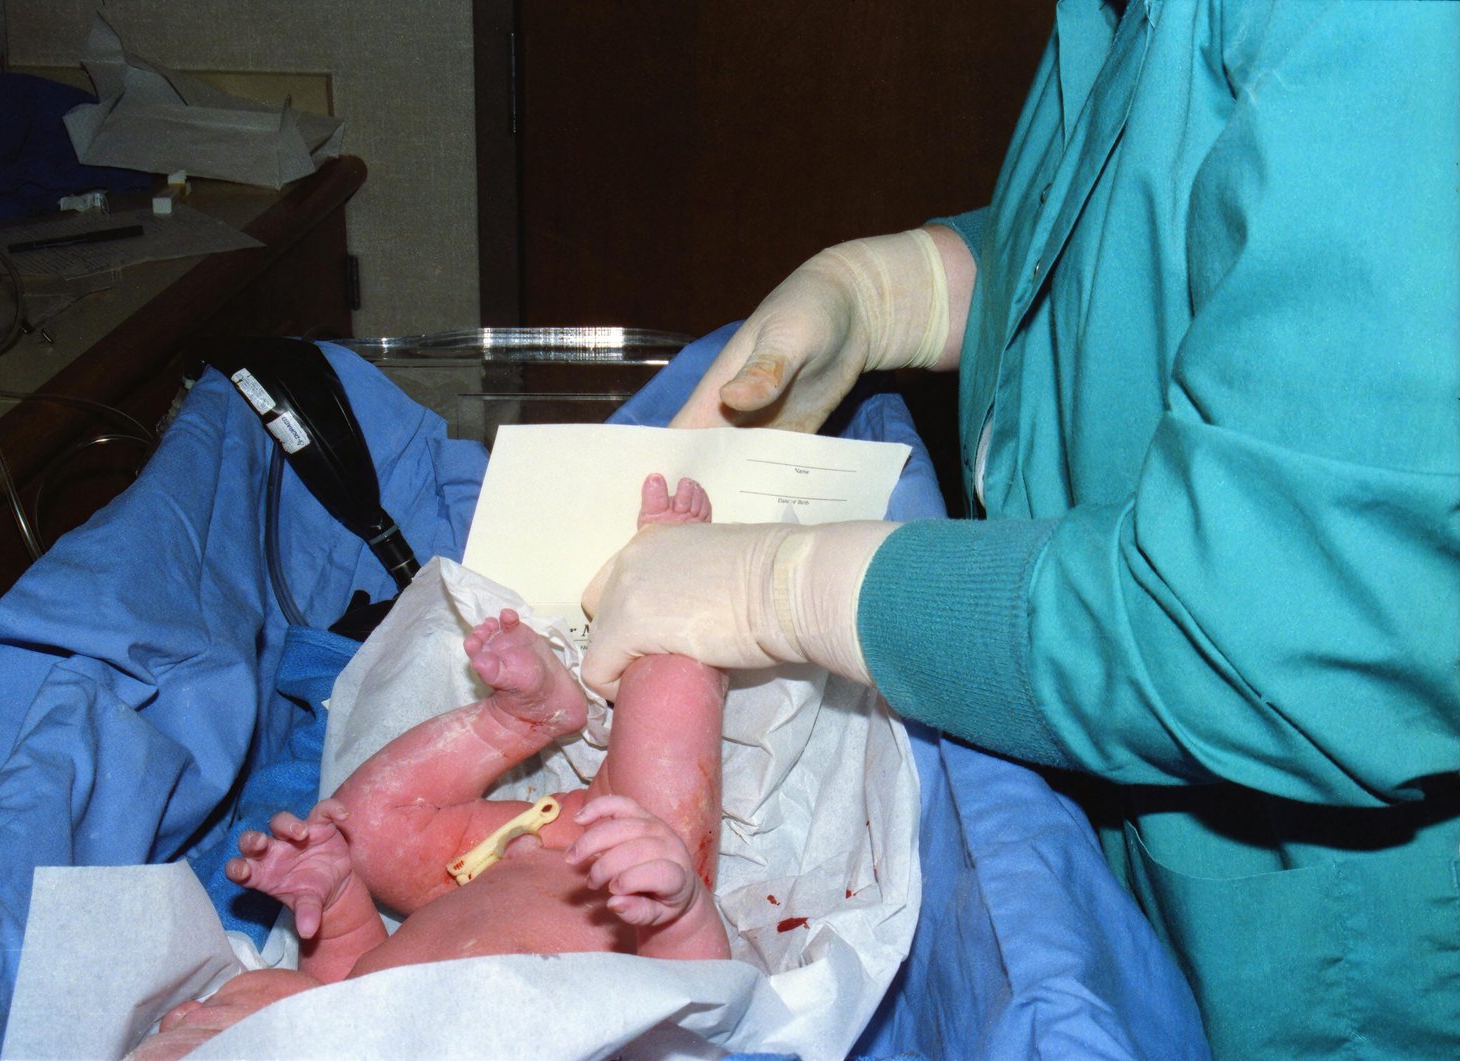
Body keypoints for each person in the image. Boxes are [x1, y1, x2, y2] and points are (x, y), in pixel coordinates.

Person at [579, 4, 1460, 1060]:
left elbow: (1299, 625)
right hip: (1132, 782)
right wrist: (911, 287)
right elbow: (1184, 222)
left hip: (1333, 949)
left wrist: (793, 587)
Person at [132, 476, 730, 1060]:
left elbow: (347, 971)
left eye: (163, 1032)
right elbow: (697, 1018)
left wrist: (336, 898)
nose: (181, 1010)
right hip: (631, 884)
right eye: (199, 1036)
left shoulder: (347, 1019)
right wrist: (678, 917)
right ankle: (671, 577)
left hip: (474, 861)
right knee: (672, 694)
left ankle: (522, 720)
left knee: (361, 828)